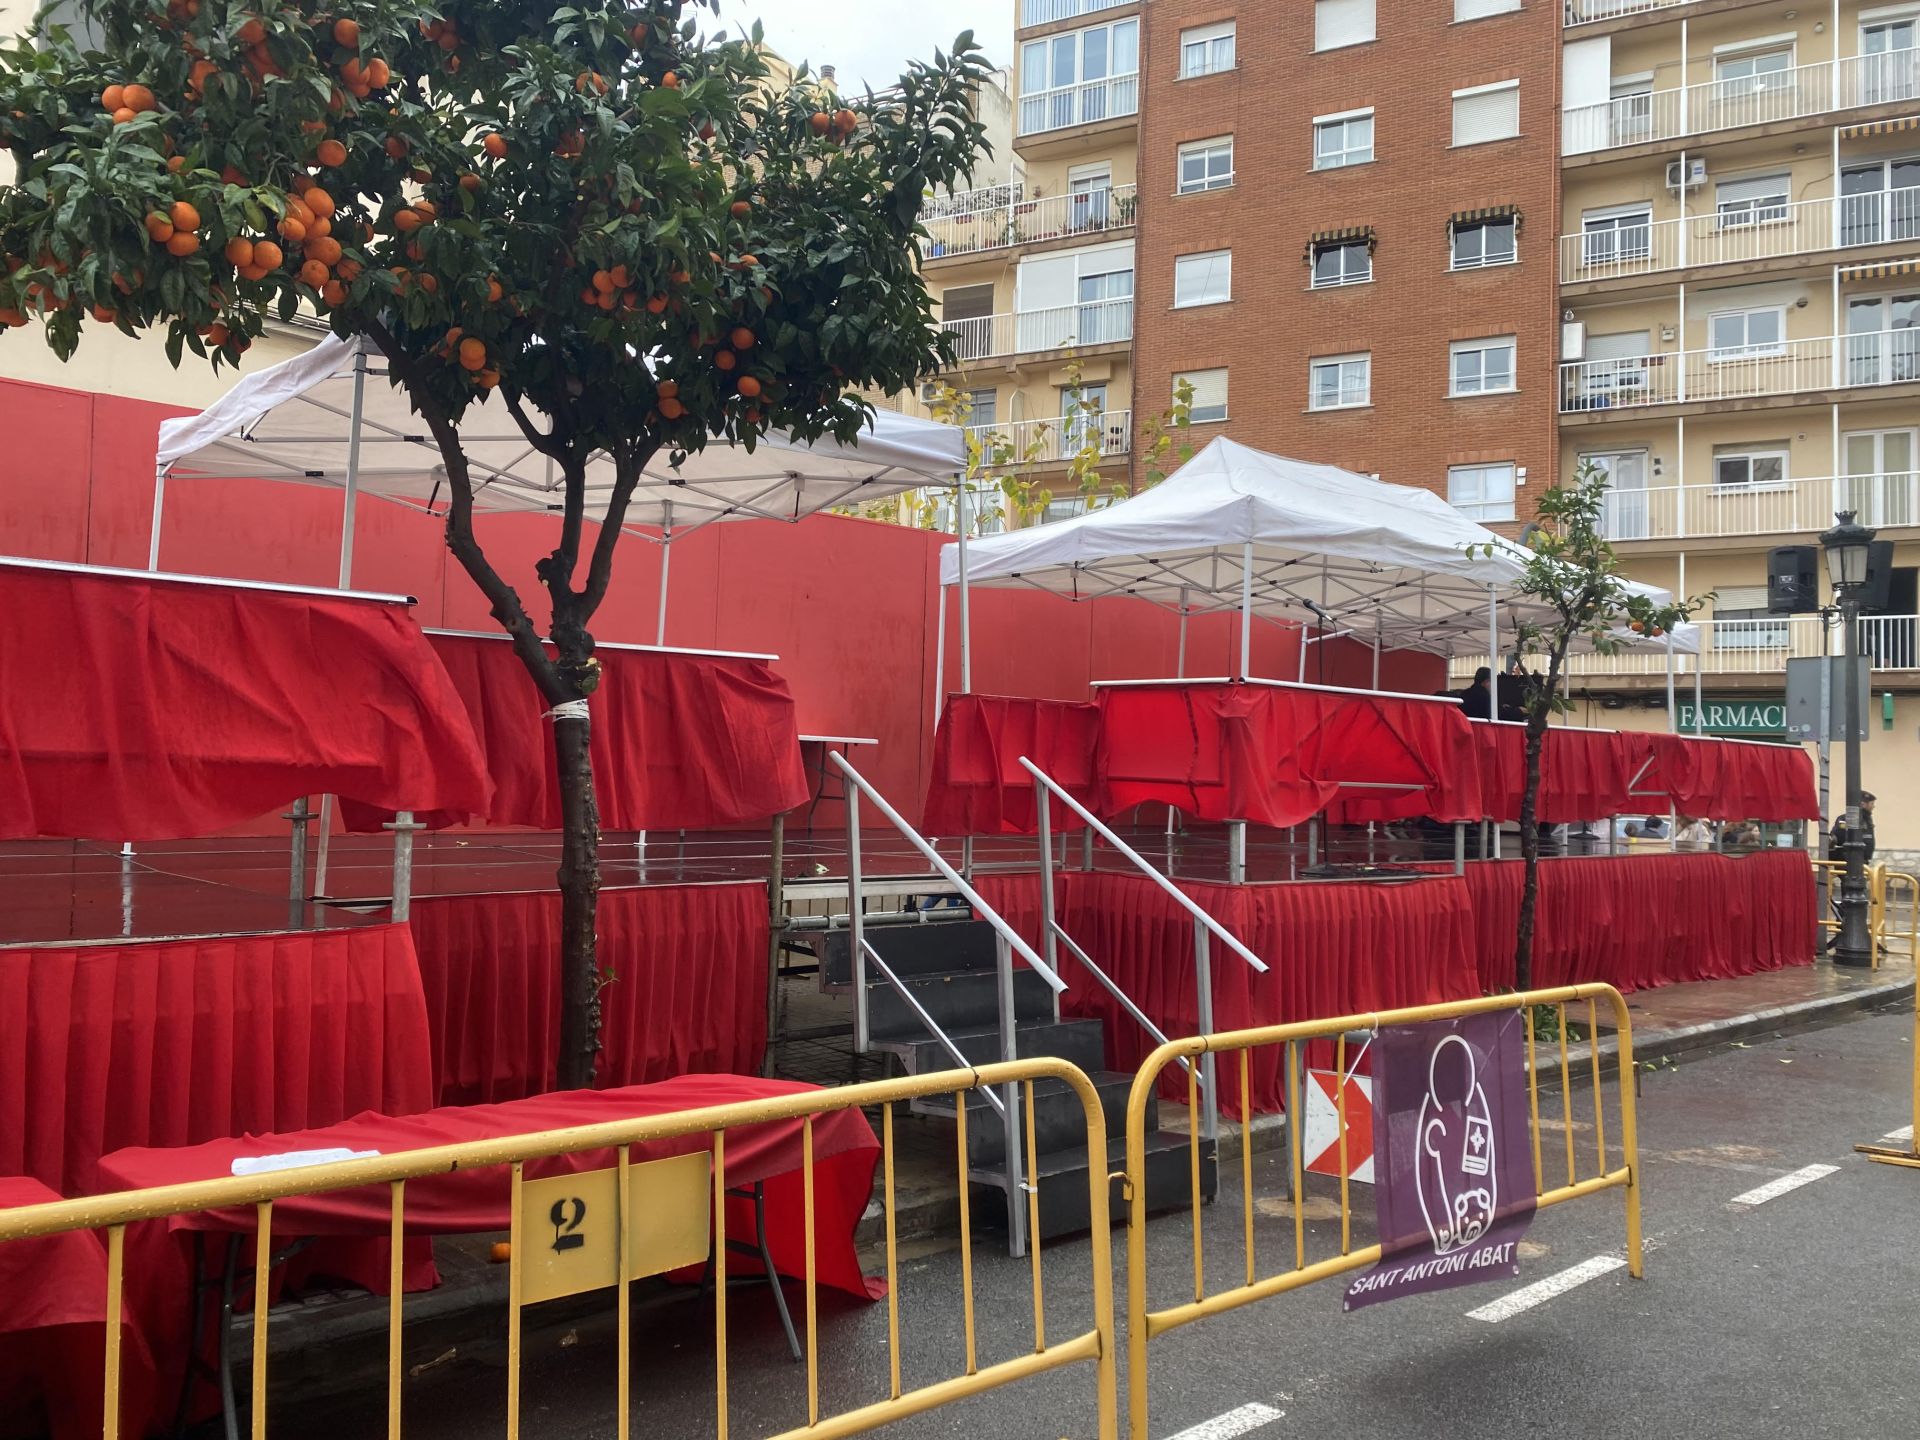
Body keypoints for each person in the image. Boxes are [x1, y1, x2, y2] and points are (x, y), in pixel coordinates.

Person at [1830, 792, 1876, 863]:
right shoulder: (1846, 818)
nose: (1873, 806)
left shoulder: (1867, 820)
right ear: (1863, 804)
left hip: (1863, 860)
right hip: (1848, 861)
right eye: (1872, 804)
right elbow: (1839, 837)